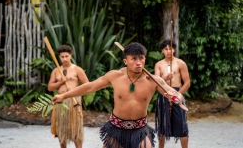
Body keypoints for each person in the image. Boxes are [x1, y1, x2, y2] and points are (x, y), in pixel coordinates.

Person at [53, 42, 186, 148]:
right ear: (125, 61)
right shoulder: (115, 76)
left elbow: (175, 94)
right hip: (116, 128)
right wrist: (63, 96)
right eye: (133, 58)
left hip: (140, 129)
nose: (138, 62)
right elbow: (90, 86)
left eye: (141, 58)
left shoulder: (154, 80)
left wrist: (176, 97)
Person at [48, 45, 89, 148]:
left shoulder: (77, 69)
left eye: (67, 56)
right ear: (59, 57)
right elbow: (50, 87)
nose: (64, 59)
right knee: (62, 131)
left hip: (73, 101)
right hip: (60, 102)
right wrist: (60, 82)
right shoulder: (56, 71)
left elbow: (87, 85)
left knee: (76, 131)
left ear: (71, 55)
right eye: (62, 57)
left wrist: (75, 90)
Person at [154, 40, 191, 148]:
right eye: (166, 49)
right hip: (163, 93)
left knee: (181, 123)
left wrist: (177, 95)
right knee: (163, 124)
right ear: (162, 51)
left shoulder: (180, 63)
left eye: (170, 48)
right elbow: (156, 82)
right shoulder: (159, 65)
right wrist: (166, 78)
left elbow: (187, 83)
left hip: (177, 94)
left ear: (174, 49)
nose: (168, 51)